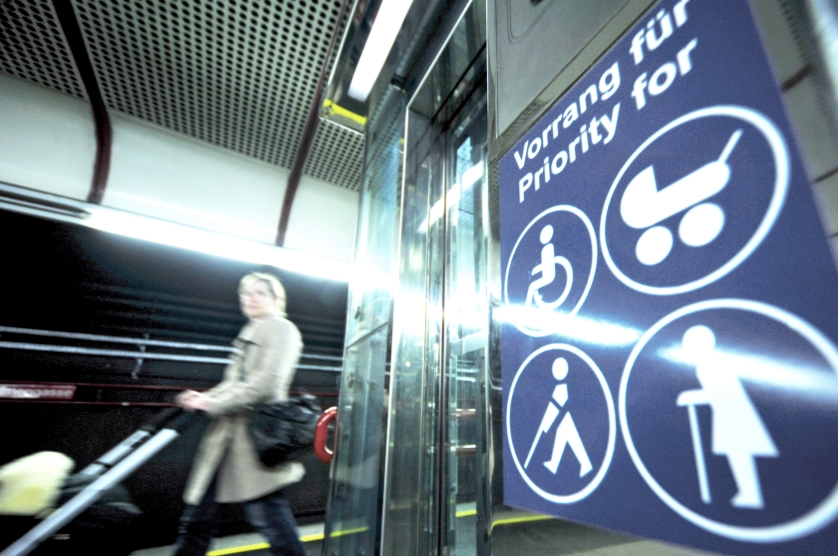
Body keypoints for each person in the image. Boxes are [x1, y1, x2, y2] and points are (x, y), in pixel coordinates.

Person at [172, 272, 306, 556]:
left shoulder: (281, 329)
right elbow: (234, 383)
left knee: (270, 519)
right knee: (197, 520)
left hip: (254, 441)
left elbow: (267, 382)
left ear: (276, 299)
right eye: (246, 293)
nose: (251, 298)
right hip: (227, 440)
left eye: (260, 293)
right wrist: (203, 397)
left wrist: (213, 405)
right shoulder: (250, 331)